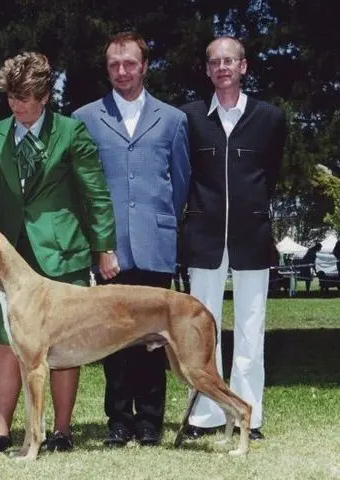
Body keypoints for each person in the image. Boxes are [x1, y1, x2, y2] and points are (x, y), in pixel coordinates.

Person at [0, 51, 116, 453]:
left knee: (61, 347)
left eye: (25, 98)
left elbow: (96, 193)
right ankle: (1, 431)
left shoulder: (71, 133)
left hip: (62, 253)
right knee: (7, 340)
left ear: (45, 96)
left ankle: (62, 431)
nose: (17, 107)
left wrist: (103, 246)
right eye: (11, 99)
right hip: (10, 255)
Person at [73, 32, 190, 447]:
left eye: (129, 63)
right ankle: (119, 420)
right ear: (106, 69)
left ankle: (151, 421)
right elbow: (83, 188)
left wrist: (161, 227)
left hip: (155, 246)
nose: (121, 71)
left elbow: (179, 183)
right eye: (113, 65)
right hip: (111, 249)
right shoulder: (85, 118)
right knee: (115, 341)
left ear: (144, 65)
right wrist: (100, 245)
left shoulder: (173, 119)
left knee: (155, 342)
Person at [180, 36, 287, 441]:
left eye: (230, 60)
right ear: (207, 70)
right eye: (214, 61)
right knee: (199, 330)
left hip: (251, 236)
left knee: (250, 328)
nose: (222, 67)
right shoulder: (188, 117)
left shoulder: (270, 118)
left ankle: (248, 416)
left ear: (244, 66)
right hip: (203, 237)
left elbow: (269, 175)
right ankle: (205, 416)